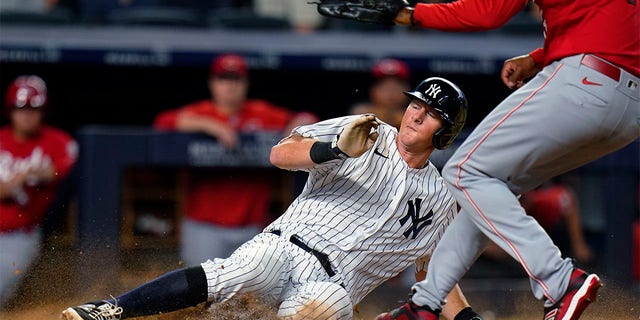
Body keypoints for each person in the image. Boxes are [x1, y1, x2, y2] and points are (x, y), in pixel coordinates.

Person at [60, 77, 483, 320]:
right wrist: (331, 150)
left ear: (444, 134)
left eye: (430, 115)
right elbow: (280, 154)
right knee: (240, 271)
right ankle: (112, 310)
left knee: (325, 309)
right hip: (286, 245)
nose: (415, 114)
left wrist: (467, 319)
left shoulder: (441, 200)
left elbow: (433, 276)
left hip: (335, 284)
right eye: (415, 105)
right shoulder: (369, 130)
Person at [376, 0, 639, 319]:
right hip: (628, 110)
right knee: (491, 186)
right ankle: (426, 303)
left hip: (584, 80)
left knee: (464, 171)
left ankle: (559, 279)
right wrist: (538, 57)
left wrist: (411, 14)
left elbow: (489, 11)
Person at [153, 53, 318, 266]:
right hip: (204, 226)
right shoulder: (201, 112)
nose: (229, 86)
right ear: (212, 83)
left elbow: (308, 118)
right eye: (223, 79)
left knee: (249, 295)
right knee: (202, 292)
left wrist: (296, 126)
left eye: (235, 79)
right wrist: (210, 125)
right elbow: (163, 122)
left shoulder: (260, 112)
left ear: (245, 83)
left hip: (251, 226)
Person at [0, 75, 78, 308]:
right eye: (20, 108)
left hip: (19, 235)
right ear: (10, 110)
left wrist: (36, 174)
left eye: (33, 109)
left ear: (43, 111)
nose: (27, 115)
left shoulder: (58, 141)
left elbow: (64, 171)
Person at [350, 58, 412, 130]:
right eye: (385, 88)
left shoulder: (416, 113)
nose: (391, 93)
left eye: (396, 88)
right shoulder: (361, 111)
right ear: (373, 90)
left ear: (407, 89)